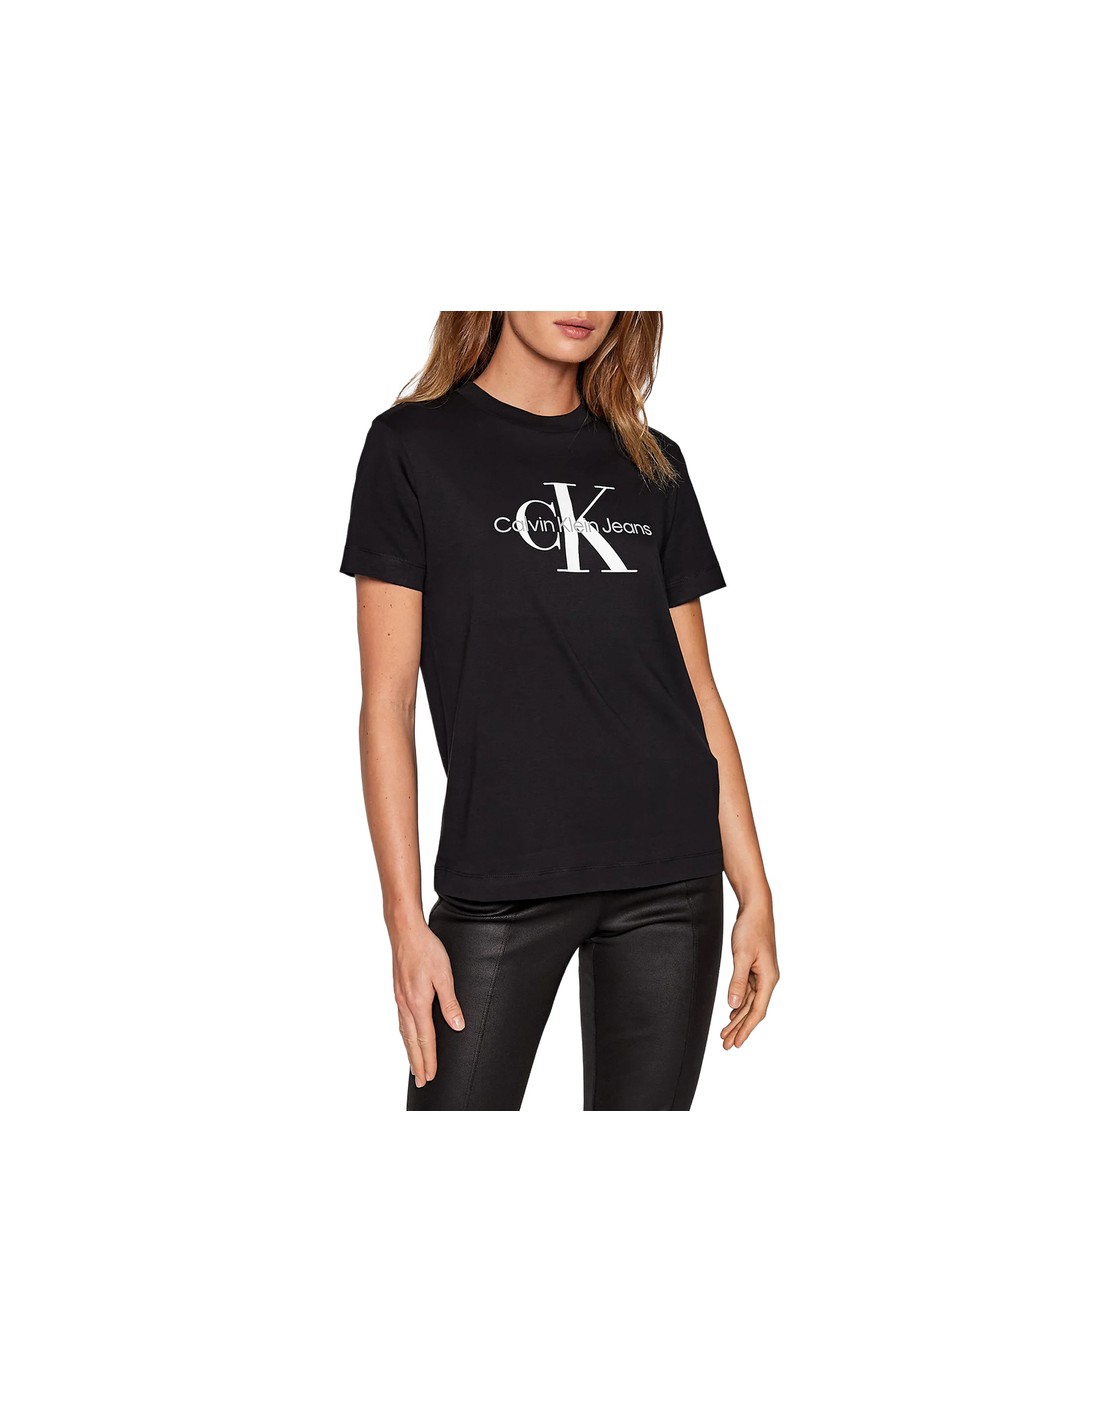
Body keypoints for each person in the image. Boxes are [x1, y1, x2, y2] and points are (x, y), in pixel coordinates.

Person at [340, 311, 778, 1111]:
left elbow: (698, 692)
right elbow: (387, 705)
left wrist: (755, 892)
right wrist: (404, 922)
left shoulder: (652, 462)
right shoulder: (412, 448)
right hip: (501, 876)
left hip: (670, 882)